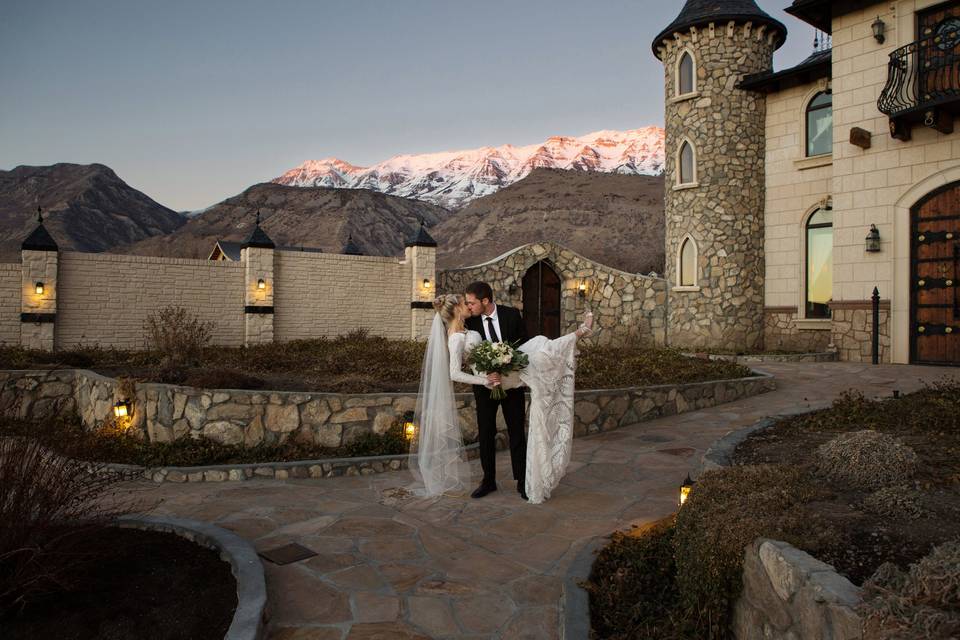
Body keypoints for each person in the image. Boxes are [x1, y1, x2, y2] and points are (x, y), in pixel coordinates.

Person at [410, 291, 592, 504]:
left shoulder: (479, 323)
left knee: (539, 349)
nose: (469, 306)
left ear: (484, 300)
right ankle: (488, 481)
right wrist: (485, 380)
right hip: (487, 388)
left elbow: (510, 341)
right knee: (486, 435)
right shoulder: (457, 336)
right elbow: (454, 372)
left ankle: (522, 481)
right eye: (465, 304)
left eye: (471, 303)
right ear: (457, 309)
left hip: (509, 382)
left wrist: (502, 358)